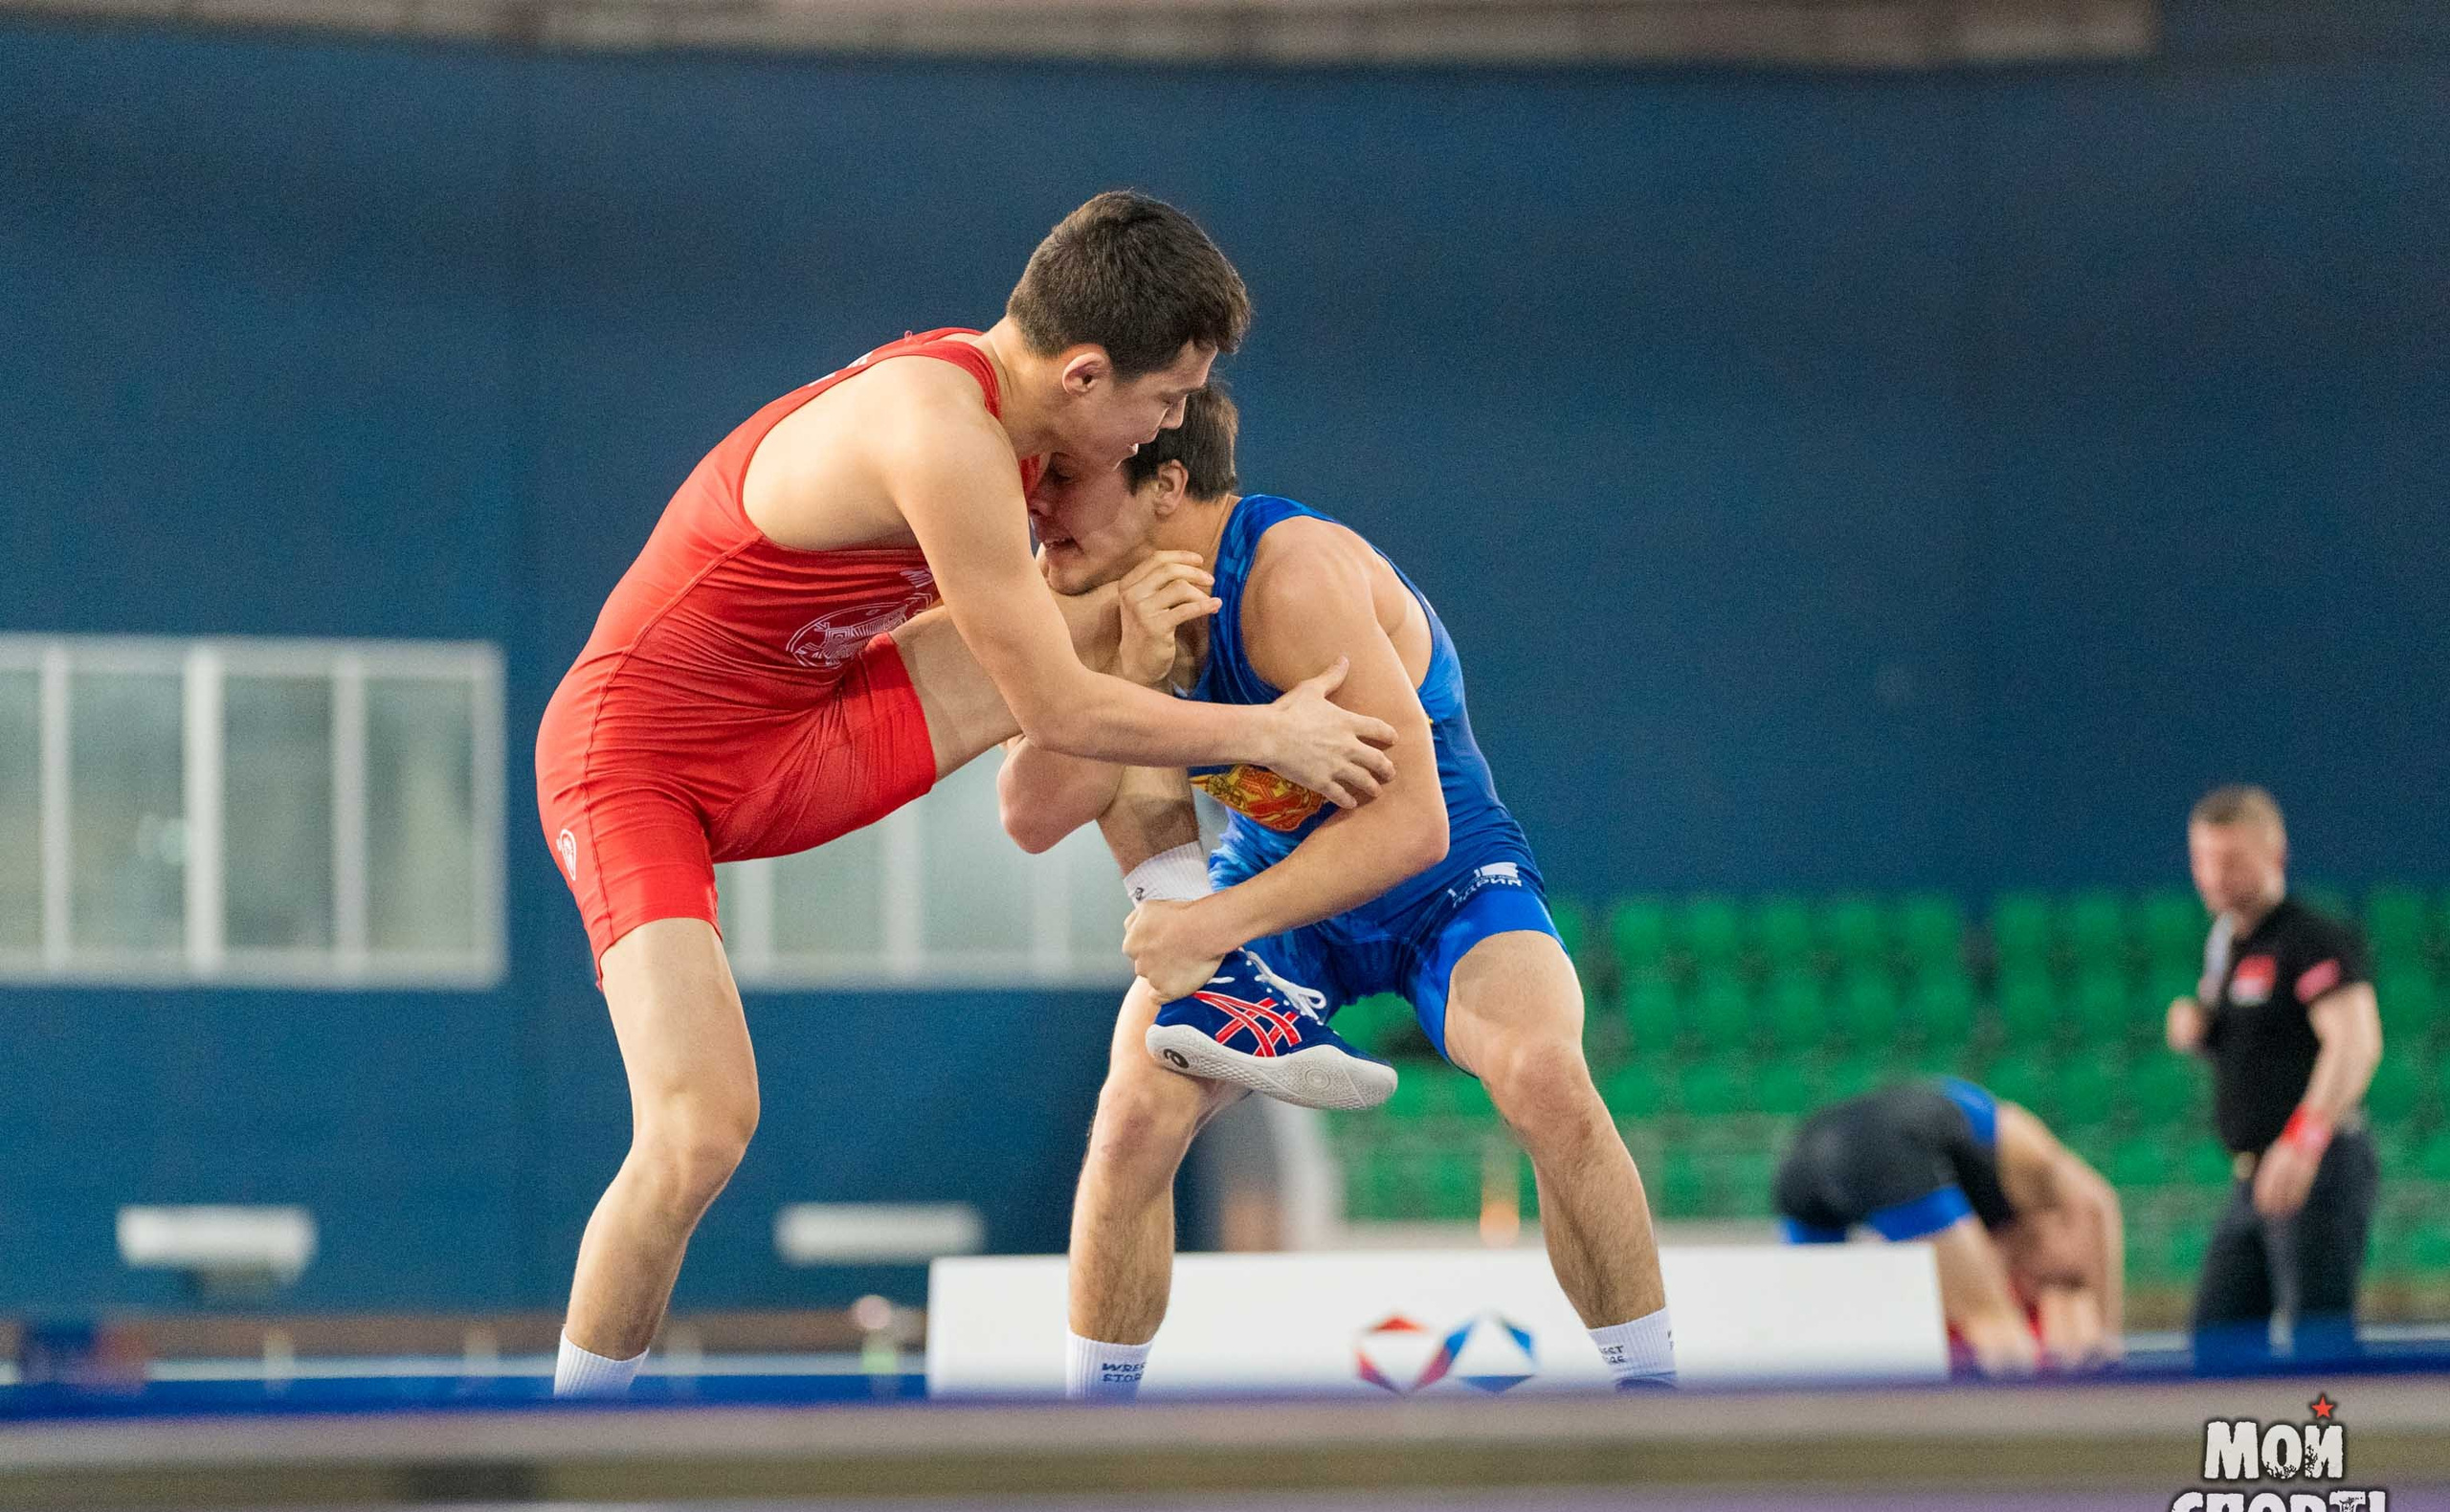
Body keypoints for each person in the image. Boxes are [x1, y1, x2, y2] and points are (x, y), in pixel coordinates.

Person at [532, 193, 1401, 1397]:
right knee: (697, 1133)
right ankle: (570, 1441)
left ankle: (1214, 964)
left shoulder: (1038, 424)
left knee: (1139, 603)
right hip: (637, 759)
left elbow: (1043, 781)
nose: (1172, 428)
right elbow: (1054, 715)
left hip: (805, 718)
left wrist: (1155, 636)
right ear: (1085, 374)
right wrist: (1270, 732)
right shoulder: (939, 432)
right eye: (1161, 403)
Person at [996, 383, 1677, 1397]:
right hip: (1278, 878)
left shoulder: (1290, 578)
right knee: (1135, 1108)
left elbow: (1411, 825)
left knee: (1543, 1074)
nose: (1037, 512)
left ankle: (1657, 1400)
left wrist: (1208, 926)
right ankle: (1094, 1427)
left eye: (1066, 482)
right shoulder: (1080, 596)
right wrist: (1129, 679)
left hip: (1441, 882)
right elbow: (1032, 812)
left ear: (1165, 481)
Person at [2164, 785, 2383, 1367]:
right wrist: (2201, 1029)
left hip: (2316, 1166)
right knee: (2218, 1344)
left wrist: (2303, 1142)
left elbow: (2357, 1044)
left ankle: (2329, 1461)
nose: (2212, 876)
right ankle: (2245, 1461)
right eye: (2202, 860)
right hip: (2252, 1179)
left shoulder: (2309, 938)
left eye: (2230, 861)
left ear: (2275, 854)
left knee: (2319, 1348)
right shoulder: (2226, 947)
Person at [1773, 1077, 2125, 1376]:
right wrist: (2108, 1337)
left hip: (1803, 1160)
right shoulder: (2023, 1148)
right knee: (1993, 1324)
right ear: (2052, 1223)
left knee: (1820, 1346)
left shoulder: (1977, 1207)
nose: (2047, 1279)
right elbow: (2099, 1203)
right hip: (1882, 1146)